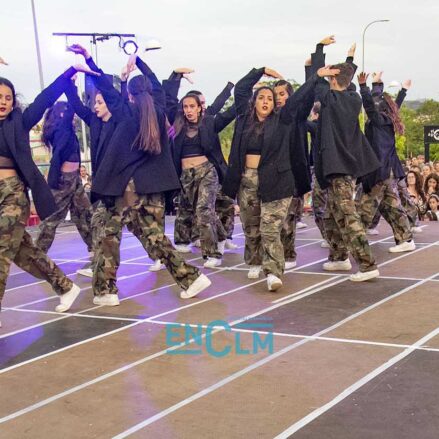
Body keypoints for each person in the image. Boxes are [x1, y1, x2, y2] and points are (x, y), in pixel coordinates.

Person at [69, 45, 211, 302]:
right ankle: (191, 277)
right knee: (153, 237)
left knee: (106, 234)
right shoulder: (158, 110)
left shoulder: (126, 111)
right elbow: (156, 84)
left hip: (125, 188)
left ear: (131, 96)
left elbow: (106, 87)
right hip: (150, 188)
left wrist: (89, 60)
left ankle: (106, 291)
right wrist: (138, 62)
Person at [0, 66, 94, 321]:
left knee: (1, 252)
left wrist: (69, 73)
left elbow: (44, 98)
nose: (4, 102)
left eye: (8, 98)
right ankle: (65, 286)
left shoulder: (18, 121)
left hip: (12, 194)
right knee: (25, 253)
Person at [222, 65, 319, 291]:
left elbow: (300, 99)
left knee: (270, 228)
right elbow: (242, 89)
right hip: (246, 179)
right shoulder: (244, 118)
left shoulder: (283, 120)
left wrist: (316, 76)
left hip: (276, 181)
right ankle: (254, 260)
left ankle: (274, 272)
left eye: (270, 98)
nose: (266, 101)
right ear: (254, 101)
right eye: (262, 98)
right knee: (250, 225)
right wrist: (261, 71)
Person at [312, 62, 381, 282]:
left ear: (332, 78)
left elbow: (317, 84)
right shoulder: (353, 99)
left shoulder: (330, 100)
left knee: (348, 216)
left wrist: (318, 63)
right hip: (342, 168)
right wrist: (347, 64)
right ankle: (339, 257)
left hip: (339, 168)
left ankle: (368, 264)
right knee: (332, 214)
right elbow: (344, 79)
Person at [171, 91, 235, 267]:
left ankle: (212, 254)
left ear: (200, 108)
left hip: (207, 172)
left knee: (203, 210)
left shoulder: (209, 123)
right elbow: (166, 97)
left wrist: (247, 92)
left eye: (192, 106)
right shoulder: (177, 127)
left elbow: (231, 112)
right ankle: (221, 236)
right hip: (186, 177)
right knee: (205, 212)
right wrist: (176, 75)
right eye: (185, 107)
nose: (189, 110)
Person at [356, 72, 415, 253]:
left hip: (380, 171)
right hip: (388, 169)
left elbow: (371, 105)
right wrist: (403, 90)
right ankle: (406, 239)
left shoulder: (378, 120)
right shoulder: (389, 118)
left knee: (364, 209)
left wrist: (364, 86)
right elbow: (393, 104)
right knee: (391, 206)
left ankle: (351, 247)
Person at [35, 101, 93, 253]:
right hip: (63, 181)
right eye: (68, 112)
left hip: (75, 180)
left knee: (84, 213)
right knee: (53, 217)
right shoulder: (61, 129)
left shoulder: (67, 131)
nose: (72, 116)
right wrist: (70, 85)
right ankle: (37, 252)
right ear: (61, 114)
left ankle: (95, 245)